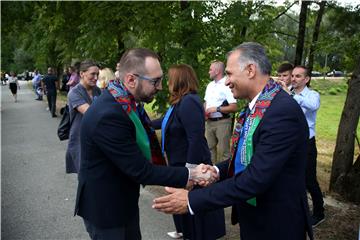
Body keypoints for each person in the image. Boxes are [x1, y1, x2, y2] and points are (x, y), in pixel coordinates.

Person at [153, 42, 313, 240]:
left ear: (250, 70)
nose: (227, 81)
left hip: (276, 222)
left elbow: (255, 177)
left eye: (229, 74)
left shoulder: (281, 112)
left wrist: (191, 200)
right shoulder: (259, 107)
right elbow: (245, 158)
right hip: (254, 215)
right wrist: (217, 171)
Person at [74, 48, 216, 240]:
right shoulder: (110, 114)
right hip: (107, 210)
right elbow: (141, 170)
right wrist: (193, 173)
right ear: (131, 80)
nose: (160, 87)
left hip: (122, 202)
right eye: (155, 81)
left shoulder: (123, 102)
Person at [151, 64, 226, 240]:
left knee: (197, 215)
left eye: (170, 78)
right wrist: (145, 123)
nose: (168, 82)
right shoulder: (180, 101)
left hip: (191, 164)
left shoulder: (190, 101)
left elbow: (195, 138)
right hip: (181, 163)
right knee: (185, 209)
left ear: (179, 80)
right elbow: (166, 121)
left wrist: (191, 173)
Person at [291, 65, 325, 227]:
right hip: (290, 143)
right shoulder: (287, 93)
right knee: (292, 177)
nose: (293, 79)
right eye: (293, 76)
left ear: (306, 79)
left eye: (298, 76)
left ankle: (319, 212)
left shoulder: (312, 95)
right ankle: (296, 210)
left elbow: (313, 106)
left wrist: (291, 95)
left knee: (309, 179)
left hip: (307, 142)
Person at [65, 60, 102, 174]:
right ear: (82, 74)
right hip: (80, 139)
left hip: (97, 137)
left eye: (97, 74)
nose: (96, 78)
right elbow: (90, 113)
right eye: (92, 74)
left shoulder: (98, 90)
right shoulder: (74, 93)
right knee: (85, 175)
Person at [204, 61, 237, 163]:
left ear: (217, 71)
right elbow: (206, 102)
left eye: (210, 69)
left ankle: (224, 176)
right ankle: (211, 175)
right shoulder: (210, 85)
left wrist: (217, 109)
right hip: (209, 123)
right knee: (208, 150)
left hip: (222, 122)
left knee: (224, 152)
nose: (209, 72)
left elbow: (234, 107)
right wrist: (203, 113)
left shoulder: (227, 85)